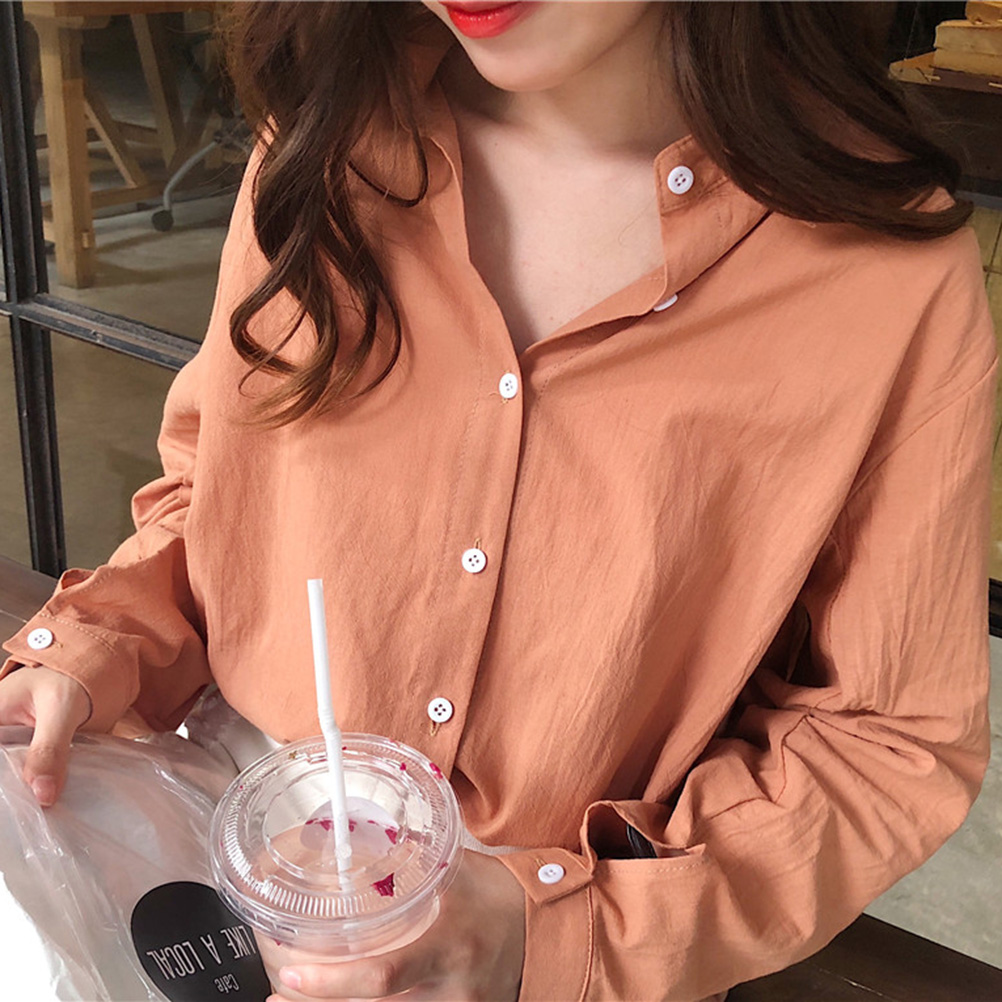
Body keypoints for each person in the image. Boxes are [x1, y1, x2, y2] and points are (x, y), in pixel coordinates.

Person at [1, 2, 997, 1000]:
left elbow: (887, 737)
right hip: (222, 849)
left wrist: (551, 932)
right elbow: (223, 492)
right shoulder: (325, 132)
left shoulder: (884, 272)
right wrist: (97, 644)